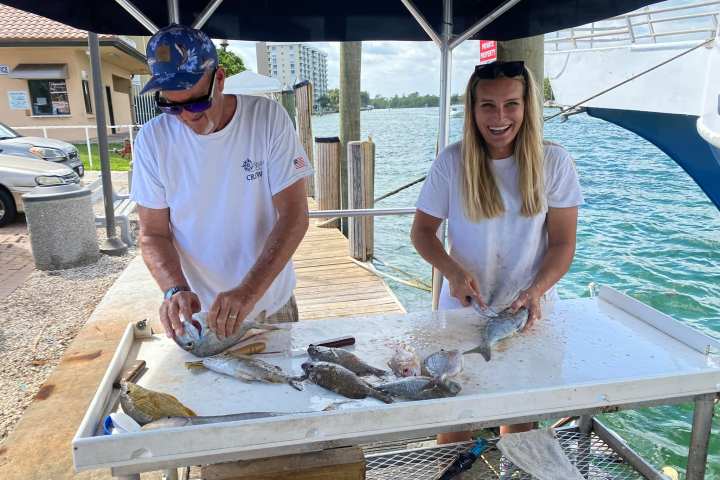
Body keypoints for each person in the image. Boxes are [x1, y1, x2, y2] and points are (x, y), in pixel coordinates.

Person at [411, 61, 583, 441]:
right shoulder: (452, 161)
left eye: (511, 104)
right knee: (456, 418)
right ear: (472, 110)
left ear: (528, 107)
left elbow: (563, 243)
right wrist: (453, 272)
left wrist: (535, 290)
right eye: (487, 105)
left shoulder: (554, 162)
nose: (500, 117)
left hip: (527, 313)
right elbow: (423, 232)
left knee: (520, 418)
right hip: (462, 311)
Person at [130, 24, 312, 340]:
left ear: (220, 79)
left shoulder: (267, 119)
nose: (186, 116)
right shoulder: (151, 140)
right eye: (171, 105)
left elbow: (295, 216)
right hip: (199, 315)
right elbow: (153, 234)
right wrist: (174, 288)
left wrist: (248, 291)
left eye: (197, 102)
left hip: (271, 304)